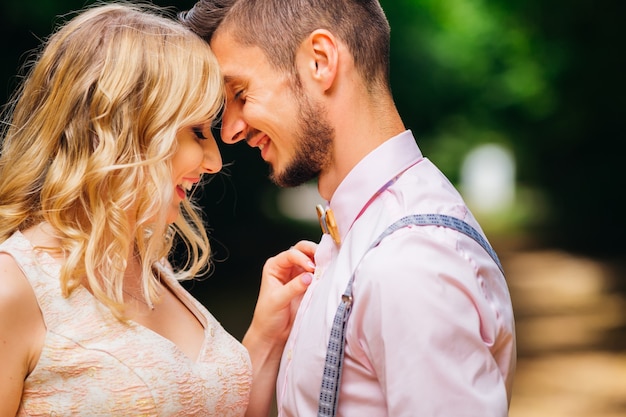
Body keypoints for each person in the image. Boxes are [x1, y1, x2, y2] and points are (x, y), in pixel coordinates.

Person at [180, 0, 517, 416]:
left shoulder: (409, 264)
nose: (229, 131)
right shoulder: (363, 235)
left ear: (320, 62)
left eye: (240, 93)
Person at [0, 3, 315, 416]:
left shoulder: (148, 266)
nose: (215, 161)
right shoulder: (13, 288)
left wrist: (266, 333)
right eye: (197, 131)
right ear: (124, 128)